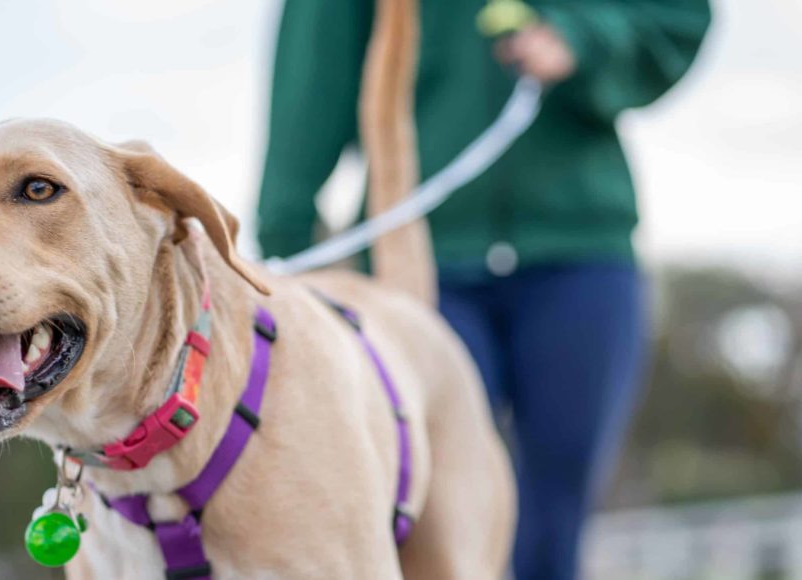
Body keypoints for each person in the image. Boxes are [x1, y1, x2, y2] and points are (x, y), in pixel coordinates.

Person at [255, 0, 711, 578]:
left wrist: (584, 37)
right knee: (418, 505)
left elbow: (678, 18)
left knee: (558, 502)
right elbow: (310, 81)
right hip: (418, 264)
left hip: (580, 253)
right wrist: (285, 245)